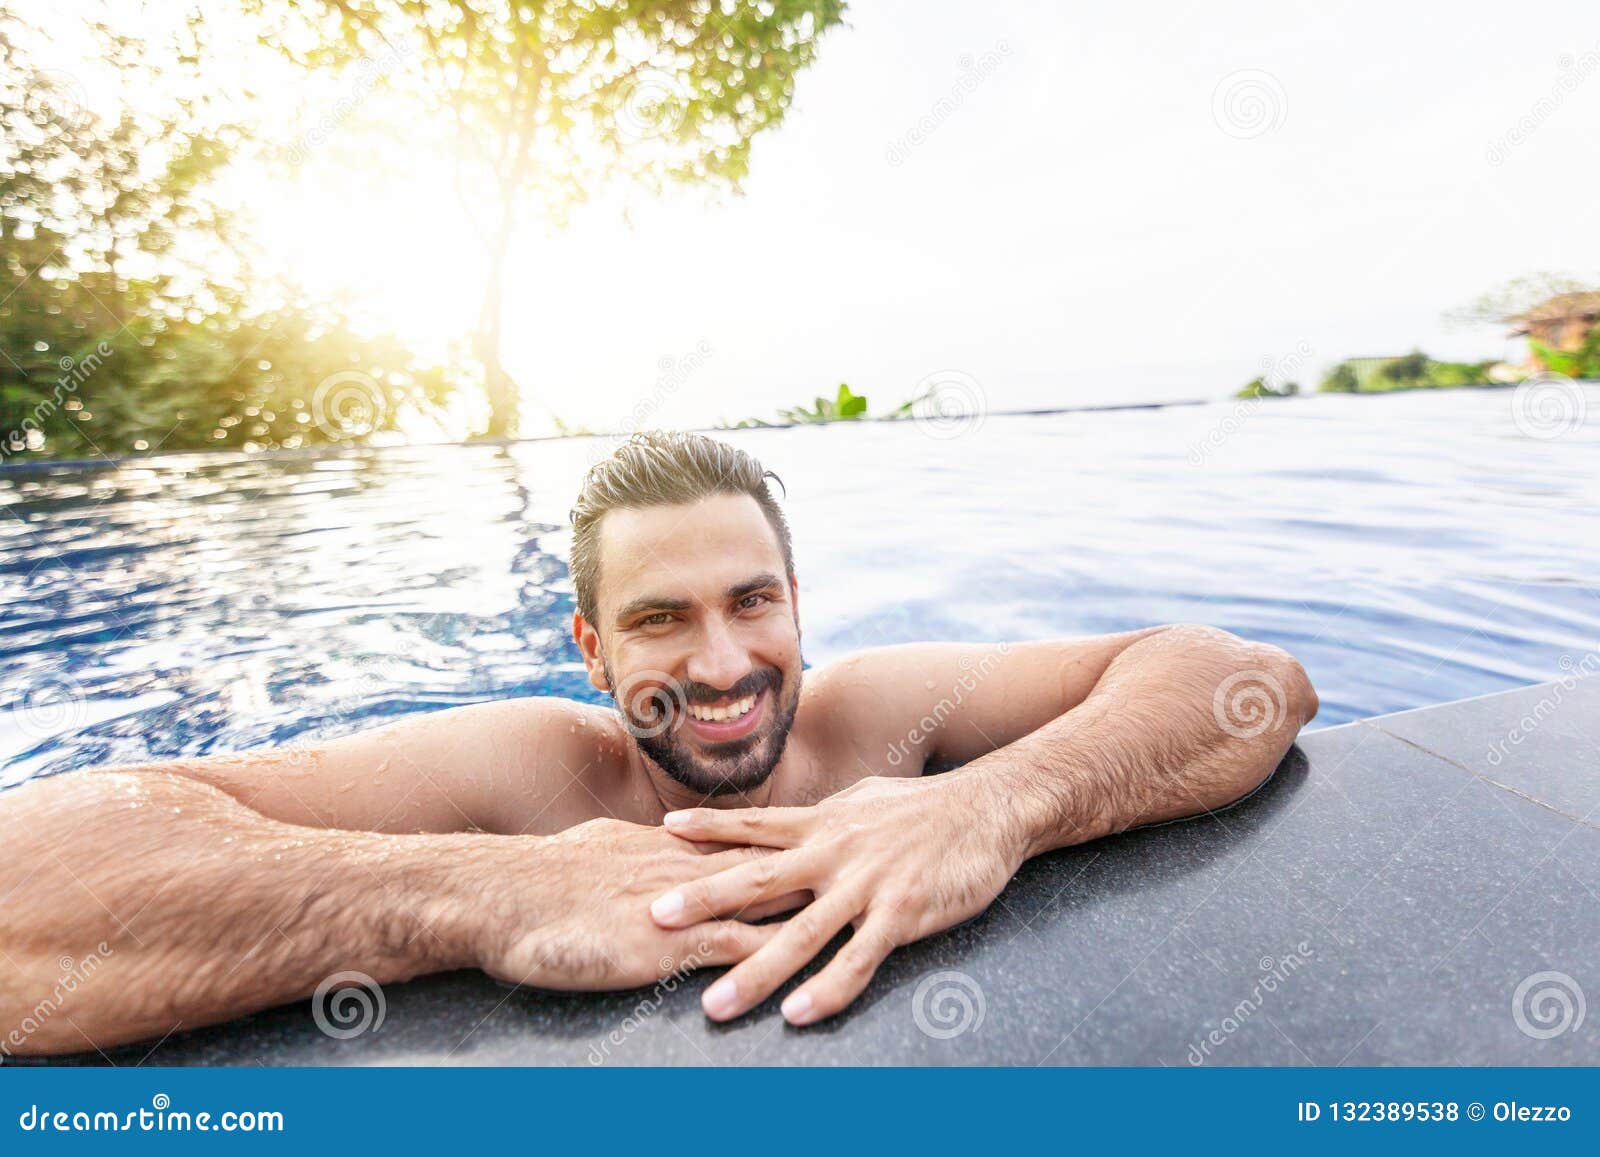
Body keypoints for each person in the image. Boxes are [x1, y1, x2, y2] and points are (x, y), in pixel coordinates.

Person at [0, 431, 1317, 1055]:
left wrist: (986, 806)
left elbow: (1243, 680)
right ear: (591, 649)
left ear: (797, 604)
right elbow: (33, 871)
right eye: (660, 619)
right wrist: (473, 893)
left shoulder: (880, 719)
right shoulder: (524, 770)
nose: (725, 663)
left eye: (753, 603)